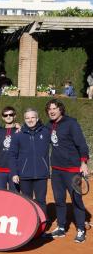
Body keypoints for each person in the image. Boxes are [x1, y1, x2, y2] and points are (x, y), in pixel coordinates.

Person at [45, 99, 89, 243]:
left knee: (76, 200)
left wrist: (83, 163)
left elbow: (82, 144)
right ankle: (61, 227)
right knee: (59, 200)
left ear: (60, 110)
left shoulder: (71, 123)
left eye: (54, 108)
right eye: (49, 109)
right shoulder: (49, 125)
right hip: (56, 170)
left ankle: (81, 229)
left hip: (72, 170)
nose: (52, 111)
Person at [9, 108, 50, 214]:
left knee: (41, 201)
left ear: (37, 118)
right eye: (27, 118)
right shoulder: (18, 134)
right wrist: (14, 173)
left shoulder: (46, 132)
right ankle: (30, 226)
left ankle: (42, 227)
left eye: (32, 117)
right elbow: (12, 155)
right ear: (24, 119)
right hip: (24, 175)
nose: (30, 120)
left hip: (41, 175)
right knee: (28, 202)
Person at [0, 106, 20, 191]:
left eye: (10, 114)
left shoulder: (19, 131)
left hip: (15, 171)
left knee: (15, 197)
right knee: (0, 197)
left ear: (14, 116)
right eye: (5, 115)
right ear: (2, 117)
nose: (8, 117)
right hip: (0, 170)